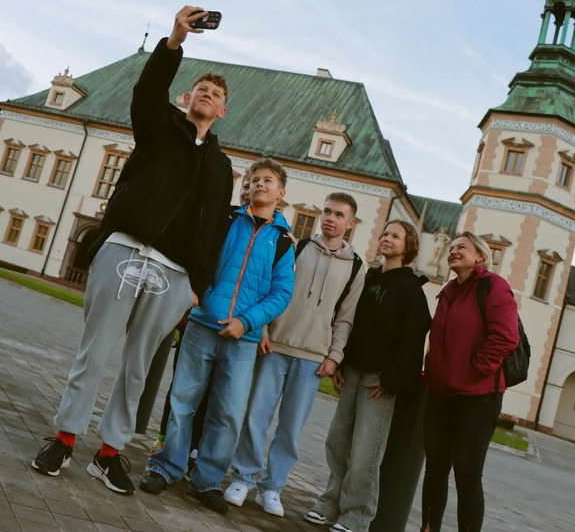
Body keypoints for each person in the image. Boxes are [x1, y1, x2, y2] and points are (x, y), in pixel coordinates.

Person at [31, 7, 234, 495]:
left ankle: (109, 454)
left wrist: (197, 288)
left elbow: (213, 235)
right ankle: (63, 438)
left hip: (174, 274)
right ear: (187, 99)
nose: (207, 96)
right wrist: (176, 37)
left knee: (138, 366)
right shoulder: (160, 126)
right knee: (95, 351)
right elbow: (146, 92)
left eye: (217, 95)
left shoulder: (222, 168)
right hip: (125, 249)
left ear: (224, 111)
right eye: (201, 90)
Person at [140, 158, 296, 513]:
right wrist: (201, 301)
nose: (259, 184)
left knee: (227, 413)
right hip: (203, 325)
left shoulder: (284, 243)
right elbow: (202, 260)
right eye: (255, 178)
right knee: (183, 402)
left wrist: (246, 322)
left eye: (267, 180)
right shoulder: (225, 221)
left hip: (243, 339)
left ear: (281, 193)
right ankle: (166, 467)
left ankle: (207, 481)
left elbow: (282, 293)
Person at [224, 192, 365, 517]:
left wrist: (335, 355)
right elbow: (271, 289)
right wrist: (261, 329)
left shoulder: (357, 268)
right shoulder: (296, 247)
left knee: (290, 428)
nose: (330, 218)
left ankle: (272, 489)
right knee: (256, 416)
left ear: (350, 223)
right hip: (275, 346)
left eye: (338, 214)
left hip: (313, 357)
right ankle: (243, 478)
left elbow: (345, 317)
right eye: (326, 211)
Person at [305, 220, 432, 532]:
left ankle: (357, 516)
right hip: (353, 371)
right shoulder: (368, 278)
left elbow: (413, 341)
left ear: (409, 246)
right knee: (338, 441)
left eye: (395, 236)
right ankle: (330, 502)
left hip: (380, 381)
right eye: (385, 234)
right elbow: (352, 323)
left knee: (366, 450)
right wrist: (342, 364)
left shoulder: (411, 289)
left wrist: (392, 381)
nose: (386, 239)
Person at [419, 232, 519, 532]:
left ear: (480, 256)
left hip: (479, 395)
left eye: (461, 247)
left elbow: (505, 337)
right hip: (441, 393)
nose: (453, 251)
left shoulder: (493, 286)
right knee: (435, 468)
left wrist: (473, 371)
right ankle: (428, 529)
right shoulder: (448, 290)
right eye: (450, 248)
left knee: (467, 474)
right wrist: (432, 373)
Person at [151, 169, 253, 461]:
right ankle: (165, 440)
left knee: (211, 395)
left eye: (252, 186)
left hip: (231, 324)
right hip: (200, 315)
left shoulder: (268, 233)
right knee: (181, 386)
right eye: (244, 186)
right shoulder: (223, 220)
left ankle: (195, 446)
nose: (247, 191)